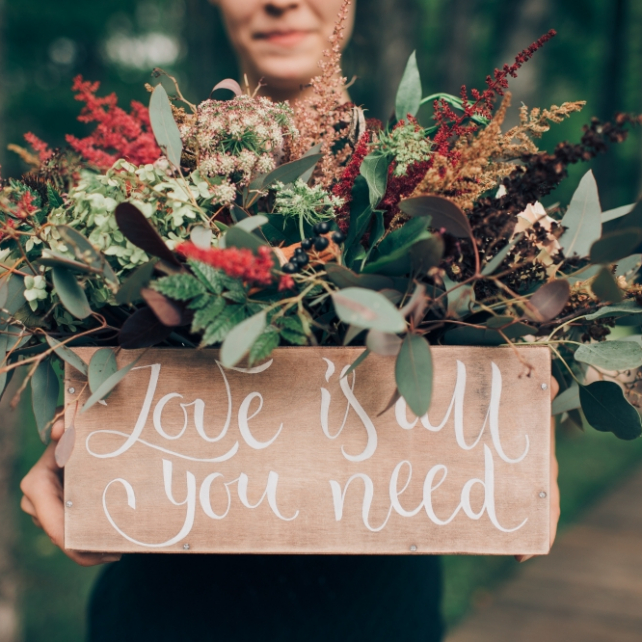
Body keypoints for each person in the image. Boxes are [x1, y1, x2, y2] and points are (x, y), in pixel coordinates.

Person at [19, 1, 561, 640]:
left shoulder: (440, 186)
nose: (280, 0)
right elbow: (104, 358)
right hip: (166, 606)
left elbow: (493, 357)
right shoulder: (145, 187)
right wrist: (75, 438)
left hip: (379, 608)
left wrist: (518, 418)